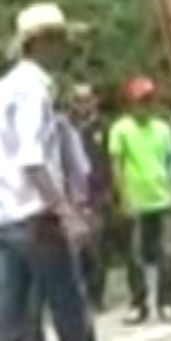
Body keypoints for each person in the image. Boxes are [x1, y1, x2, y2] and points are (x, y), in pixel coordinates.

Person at [0, 2, 139, 341]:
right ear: (41, 43)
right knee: (70, 309)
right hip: (37, 215)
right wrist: (65, 209)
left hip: (8, 213)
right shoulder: (35, 89)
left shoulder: (6, 87)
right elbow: (34, 158)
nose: (65, 48)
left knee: (10, 317)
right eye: (58, 39)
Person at [107, 76, 171, 325]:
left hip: (163, 198)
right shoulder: (121, 129)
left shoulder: (163, 129)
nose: (145, 105)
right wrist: (122, 197)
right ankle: (138, 303)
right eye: (140, 100)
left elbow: (170, 164)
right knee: (135, 256)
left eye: (149, 99)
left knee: (167, 254)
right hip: (136, 199)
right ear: (131, 102)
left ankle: (166, 302)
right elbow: (117, 165)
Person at [66, 82, 115, 310]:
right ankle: (80, 295)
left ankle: (97, 295)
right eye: (78, 100)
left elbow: (111, 161)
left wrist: (108, 190)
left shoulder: (104, 128)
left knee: (96, 250)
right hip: (72, 196)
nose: (82, 105)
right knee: (76, 251)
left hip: (97, 194)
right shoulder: (66, 128)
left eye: (86, 99)